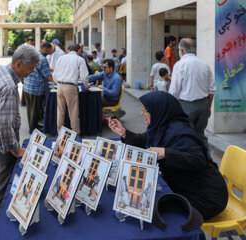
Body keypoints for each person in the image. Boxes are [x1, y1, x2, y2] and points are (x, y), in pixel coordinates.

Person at [108, 91, 228, 220]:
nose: (142, 114)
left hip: (206, 196)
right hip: (186, 187)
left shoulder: (179, 132)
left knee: (154, 211)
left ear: (158, 111)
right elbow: (143, 142)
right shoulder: (160, 127)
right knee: (147, 204)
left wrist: (165, 152)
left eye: (145, 110)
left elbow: (198, 160)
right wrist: (123, 132)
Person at [0, 44, 41, 231]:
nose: (32, 72)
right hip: (2, 142)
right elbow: (4, 124)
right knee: (1, 187)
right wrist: (15, 149)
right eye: (30, 68)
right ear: (18, 64)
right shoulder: (10, 87)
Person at [169, 38, 216, 141]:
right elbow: (212, 90)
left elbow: (174, 92)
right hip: (203, 104)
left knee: (185, 135)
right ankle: (205, 156)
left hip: (186, 106)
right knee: (200, 135)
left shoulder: (179, 65)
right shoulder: (205, 64)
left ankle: (189, 156)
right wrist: (208, 107)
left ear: (181, 50)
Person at [53, 44, 89, 134]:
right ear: (79, 51)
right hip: (71, 86)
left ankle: (59, 133)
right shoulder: (80, 59)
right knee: (73, 112)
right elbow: (84, 77)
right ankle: (75, 135)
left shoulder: (61, 58)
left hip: (60, 86)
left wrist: (58, 83)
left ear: (69, 50)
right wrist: (86, 85)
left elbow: (54, 74)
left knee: (60, 112)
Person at [23, 42, 53, 133]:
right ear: (44, 49)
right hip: (36, 88)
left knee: (30, 109)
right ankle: (33, 129)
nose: (49, 53)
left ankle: (33, 126)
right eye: (48, 51)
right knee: (35, 110)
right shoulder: (42, 59)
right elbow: (49, 77)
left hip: (28, 85)